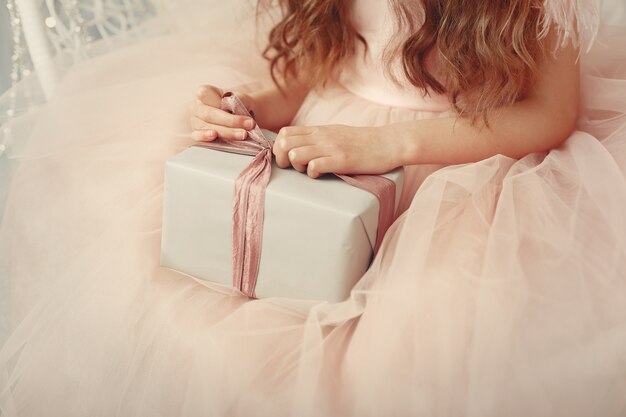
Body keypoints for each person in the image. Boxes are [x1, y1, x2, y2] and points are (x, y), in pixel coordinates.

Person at [1, 0, 625, 415]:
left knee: (408, 350)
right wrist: (244, 106)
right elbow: (321, 69)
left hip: (463, 163)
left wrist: (387, 145)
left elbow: (549, 113)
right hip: (335, 131)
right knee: (215, 313)